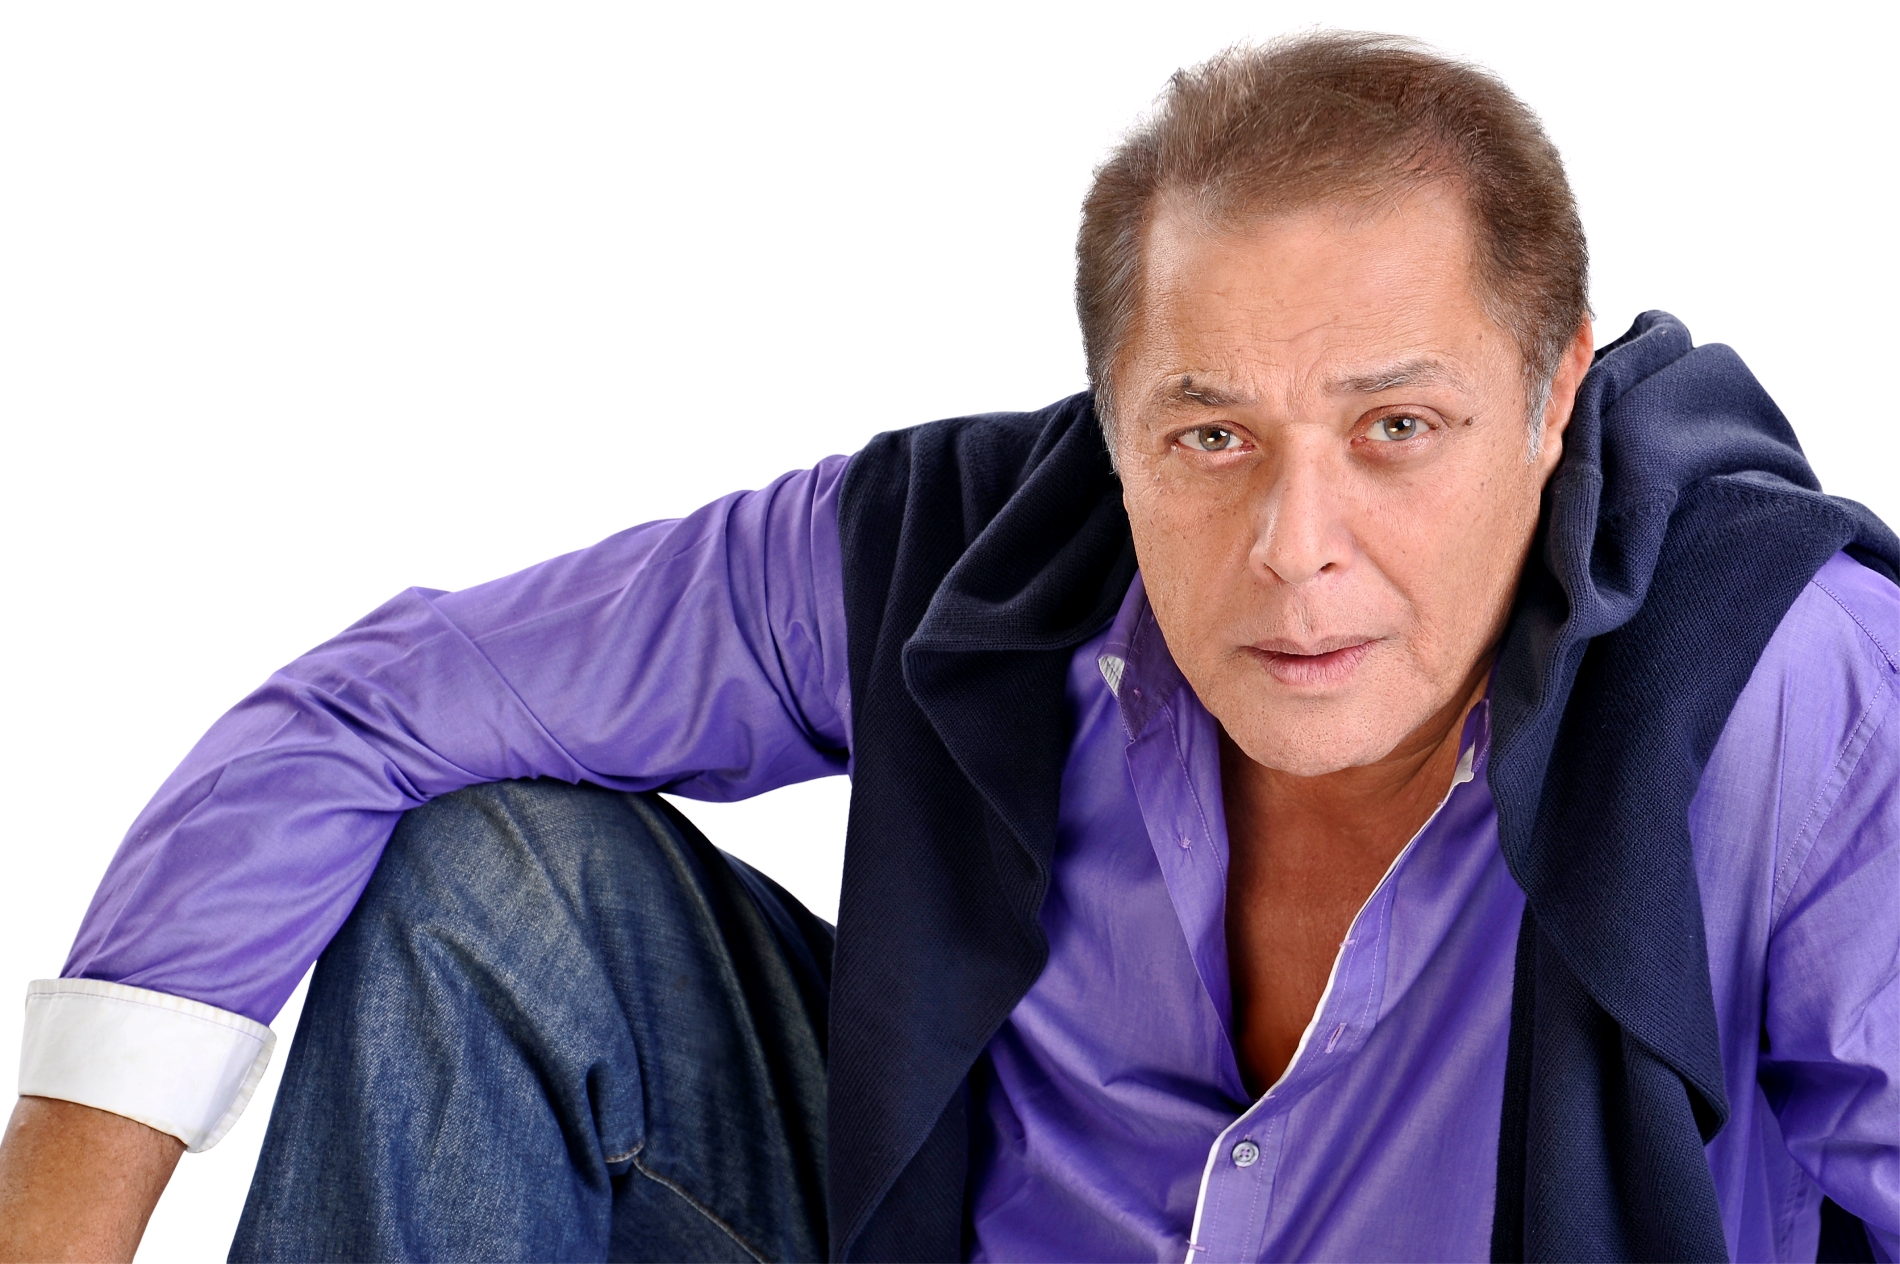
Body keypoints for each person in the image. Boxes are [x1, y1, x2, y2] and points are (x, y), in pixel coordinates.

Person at [1, 30, 1894, 1264]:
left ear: (1555, 399)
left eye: (1398, 427)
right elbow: (364, 712)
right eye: (1210, 435)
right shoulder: (961, 553)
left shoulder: (1779, 690)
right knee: (501, 886)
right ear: (1115, 419)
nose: (1295, 548)